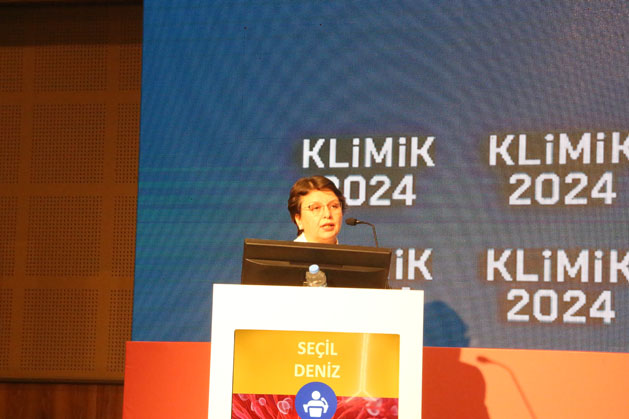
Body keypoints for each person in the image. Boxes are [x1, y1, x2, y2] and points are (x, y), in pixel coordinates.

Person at [287, 176, 347, 244]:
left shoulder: (352, 250)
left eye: (334, 206)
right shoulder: (284, 251)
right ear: (299, 220)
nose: (327, 214)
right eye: (316, 208)